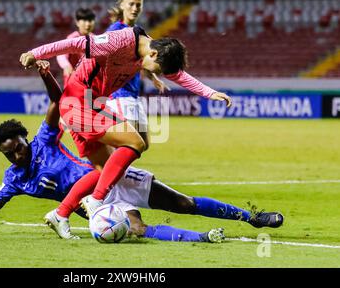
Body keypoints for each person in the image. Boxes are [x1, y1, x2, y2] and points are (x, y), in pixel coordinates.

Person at [0, 62, 283, 243]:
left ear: (24, 140)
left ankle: (251, 218)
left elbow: (56, 100)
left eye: (17, 146)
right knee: (138, 231)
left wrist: (45, 72)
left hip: (112, 177)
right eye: (9, 153)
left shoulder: (45, 141)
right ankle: (205, 240)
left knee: (184, 204)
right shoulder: (14, 179)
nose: (16, 155)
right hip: (96, 206)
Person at [19, 22, 233, 221]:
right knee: (136, 142)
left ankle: (60, 214)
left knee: (106, 171)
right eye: (155, 69)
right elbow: (75, 44)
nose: (151, 72)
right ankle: (95, 201)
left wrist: (210, 92)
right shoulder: (120, 41)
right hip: (79, 102)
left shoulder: (149, 52)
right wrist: (34, 53)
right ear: (153, 53)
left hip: (92, 104)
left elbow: (179, 76)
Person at [104, 0, 169, 150]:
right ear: (123, 5)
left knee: (144, 144)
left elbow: (142, 58)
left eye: (138, 5)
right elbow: (104, 57)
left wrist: (153, 78)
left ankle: (111, 168)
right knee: (130, 144)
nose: (134, 8)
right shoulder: (115, 30)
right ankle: (110, 172)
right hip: (119, 95)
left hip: (133, 95)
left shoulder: (138, 32)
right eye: (131, 4)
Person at [56, 8, 96, 88]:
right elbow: (61, 55)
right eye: (84, 20)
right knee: (72, 100)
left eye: (90, 20)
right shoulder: (72, 38)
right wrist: (66, 65)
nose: (88, 24)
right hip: (73, 82)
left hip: (89, 84)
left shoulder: (95, 39)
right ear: (77, 22)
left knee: (88, 100)